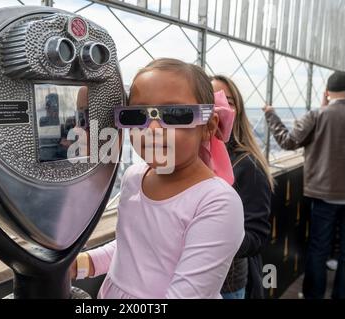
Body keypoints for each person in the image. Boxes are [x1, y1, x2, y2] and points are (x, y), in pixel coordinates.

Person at [71, 58, 245, 299]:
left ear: (208, 126)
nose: (152, 129)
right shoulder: (134, 177)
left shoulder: (217, 203)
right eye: (136, 116)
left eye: (174, 114)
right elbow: (133, 248)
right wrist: (82, 263)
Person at [263, 71, 345, 299]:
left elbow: (288, 141)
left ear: (327, 92)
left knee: (319, 248)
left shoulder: (318, 115)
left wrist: (271, 115)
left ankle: (313, 295)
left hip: (324, 193)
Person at [211, 75, 273, 299]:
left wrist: (209, 242)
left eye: (228, 100)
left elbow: (257, 235)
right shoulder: (190, 159)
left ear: (238, 110)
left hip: (227, 283)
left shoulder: (247, 165)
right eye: (212, 100)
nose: (221, 107)